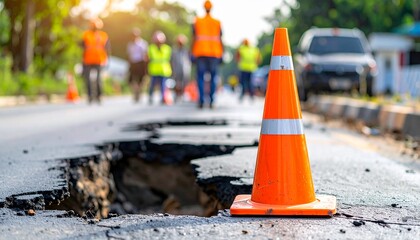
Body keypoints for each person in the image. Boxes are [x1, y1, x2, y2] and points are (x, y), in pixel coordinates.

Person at [191, 0, 224, 109]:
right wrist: (222, 53)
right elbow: (220, 38)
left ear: (204, 8)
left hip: (200, 52)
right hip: (214, 53)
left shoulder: (197, 21)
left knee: (200, 77)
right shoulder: (217, 22)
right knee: (213, 77)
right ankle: (211, 101)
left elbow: (193, 38)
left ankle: (201, 100)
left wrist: (191, 52)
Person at [81, 18, 111, 104]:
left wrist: (108, 58)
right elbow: (82, 47)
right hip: (88, 60)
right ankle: (90, 96)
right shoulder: (86, 34)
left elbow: (107, 48)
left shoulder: (103, 35)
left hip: (99, 60)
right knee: (88, 79)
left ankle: (99, 96)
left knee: (98, 79)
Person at [146, 31, 172, 105]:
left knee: (163, 85)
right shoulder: (151, 48)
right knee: (152, 85)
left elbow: (170, 60)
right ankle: (150, 97)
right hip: (154, 70)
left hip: (164, 70)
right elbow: (147, 59)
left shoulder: (167, 48)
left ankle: (163, 98)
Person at [127, 28, 148, 103]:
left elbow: (145, 55)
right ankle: (135, 94)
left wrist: (145, 66)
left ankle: (139, 93)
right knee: (133, 80)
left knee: (140, 80)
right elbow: (129, 55)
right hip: (133, 63)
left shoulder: (142, 43)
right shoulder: (130, 44)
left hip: (140, 63)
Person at [171, 34, 191, 102]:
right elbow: (172, 60)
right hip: (177, 69)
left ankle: (182, 94)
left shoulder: (186, 50)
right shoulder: (174, 51)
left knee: (184, 83)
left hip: (185, 69)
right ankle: (177, 95)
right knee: (177, 83)